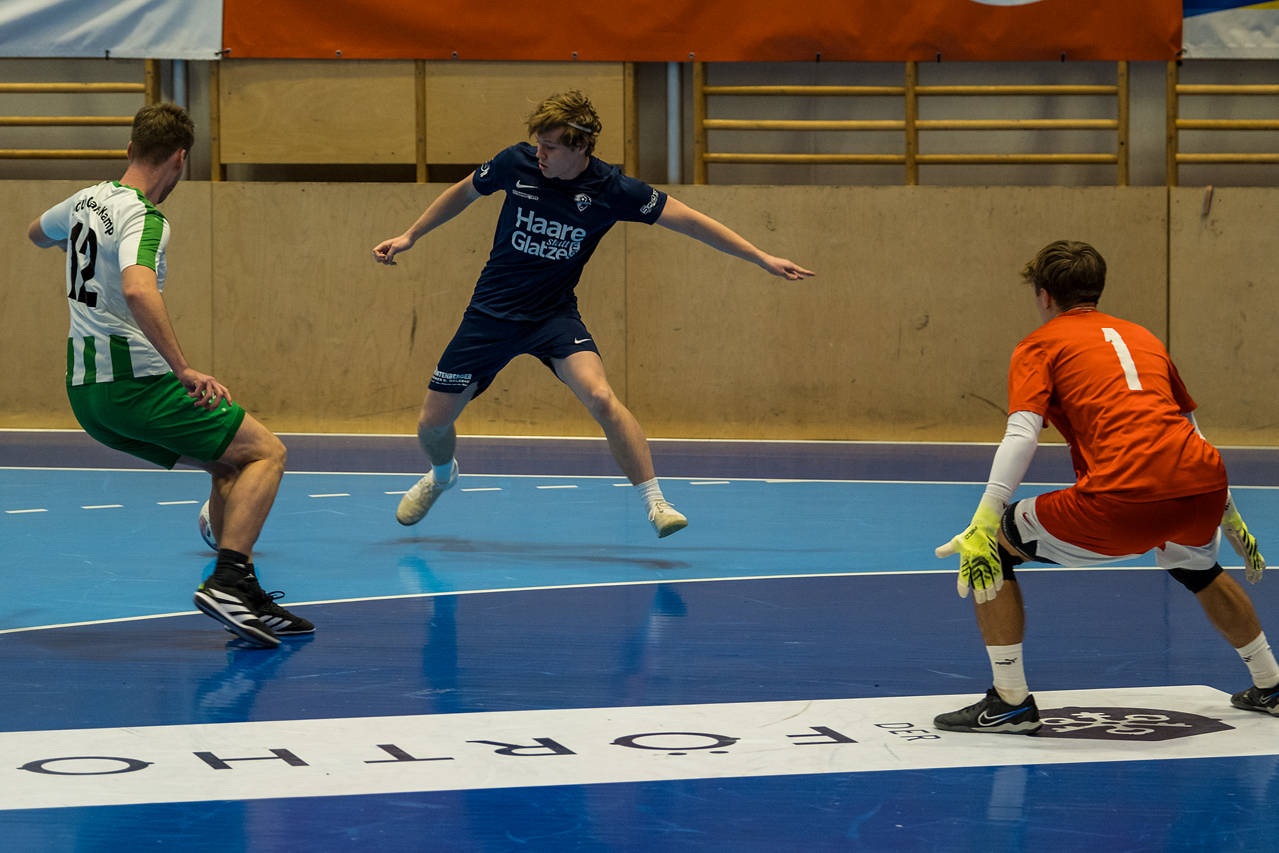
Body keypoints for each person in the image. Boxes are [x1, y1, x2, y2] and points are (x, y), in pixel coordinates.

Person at [373, 91, 814, 537]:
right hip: (490, 314)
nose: (540, 154)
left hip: (552, 316)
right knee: (432, 424)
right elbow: (464, 191)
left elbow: (691, 221)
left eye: (551, 147)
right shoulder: (515, 164)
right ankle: (443, 475)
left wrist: (760, 256)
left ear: (581, 146)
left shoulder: (613, 190)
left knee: (601, 397)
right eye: (538, 144)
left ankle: (656, 503)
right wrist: (411, 235)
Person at [933, 240, 1272, 733]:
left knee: (993, 546)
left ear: (1045, 295)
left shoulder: (1039, 344)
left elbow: (1022, 433)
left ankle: (1009, 701)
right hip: (1203, 486)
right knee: (1197, 566)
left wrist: (985, 516)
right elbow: (1189, 429)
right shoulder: (1143, 337)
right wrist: (1228, 512)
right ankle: (1271, 684)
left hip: (1123, 497)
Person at [27, 102, 310, 649]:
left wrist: (78, 245)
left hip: (87, 394)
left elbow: (36, 233)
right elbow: (138, 288)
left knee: (229, 463)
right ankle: (228, 582)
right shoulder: (145, 218)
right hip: (134, 382)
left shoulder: (86, 200)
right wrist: (182, 367)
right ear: (181, 159)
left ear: (130, 149)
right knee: (267, 453)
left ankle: (243, 590)